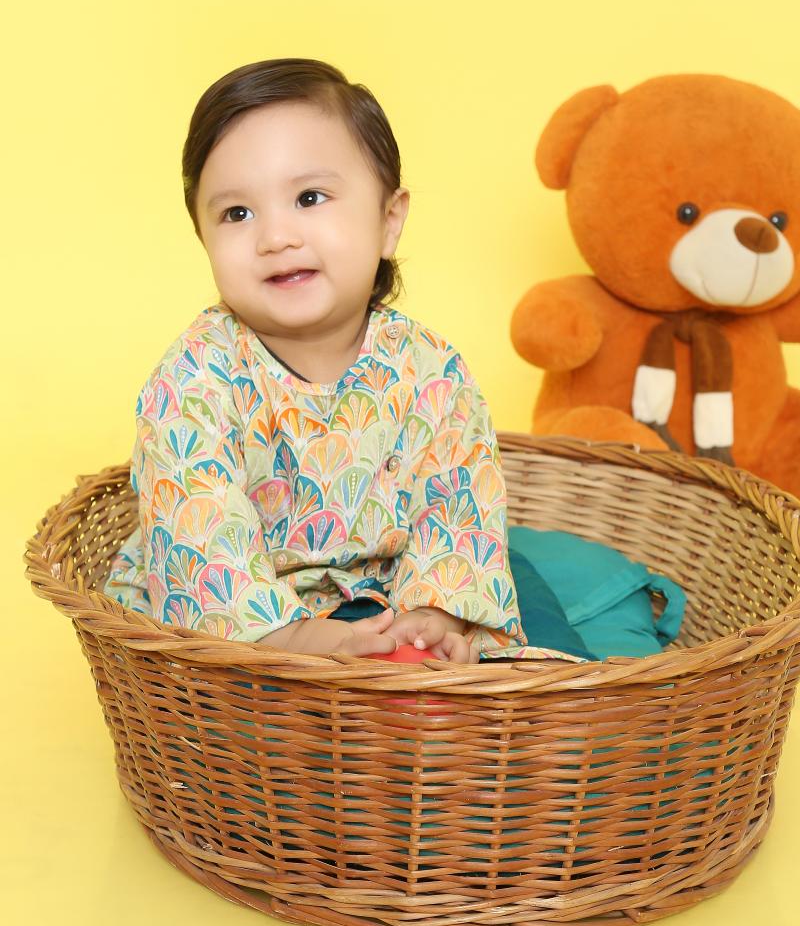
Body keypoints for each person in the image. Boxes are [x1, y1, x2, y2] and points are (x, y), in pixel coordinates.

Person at [102, 57, 531, 663]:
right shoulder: (194, 377)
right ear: (203, 238)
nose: (276, 237)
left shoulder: (430, 370)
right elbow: (199, 525)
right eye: (236, 214)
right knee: (232, 667)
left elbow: (459, 505)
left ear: (388, 221)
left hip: (390, 604)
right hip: (245, 626)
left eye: (309, 197)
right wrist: (294, 637)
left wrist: (432, 617)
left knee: (488, 651)